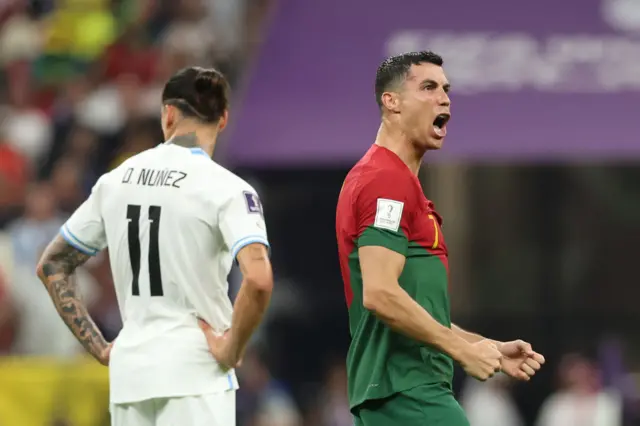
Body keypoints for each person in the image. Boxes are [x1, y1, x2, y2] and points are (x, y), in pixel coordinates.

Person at [36, 66, 274, 426]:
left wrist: (99, 346)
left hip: (131, 374)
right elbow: (258, 279)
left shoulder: (115, 181)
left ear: (169, 114)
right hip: (195, 374)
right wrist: (230, 348)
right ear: (223, 119)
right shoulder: (227, 189)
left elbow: (52, 264)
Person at [335, 51, 546, 426]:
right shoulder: (386, 180)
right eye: (428, 87)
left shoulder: (397, 184)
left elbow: (414, 309)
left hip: (401, 390)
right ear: (392, 102)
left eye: (446, 89)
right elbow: (380, 294)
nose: (444, 98)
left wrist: (488, 349)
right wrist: (461, 354)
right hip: (408, 390)